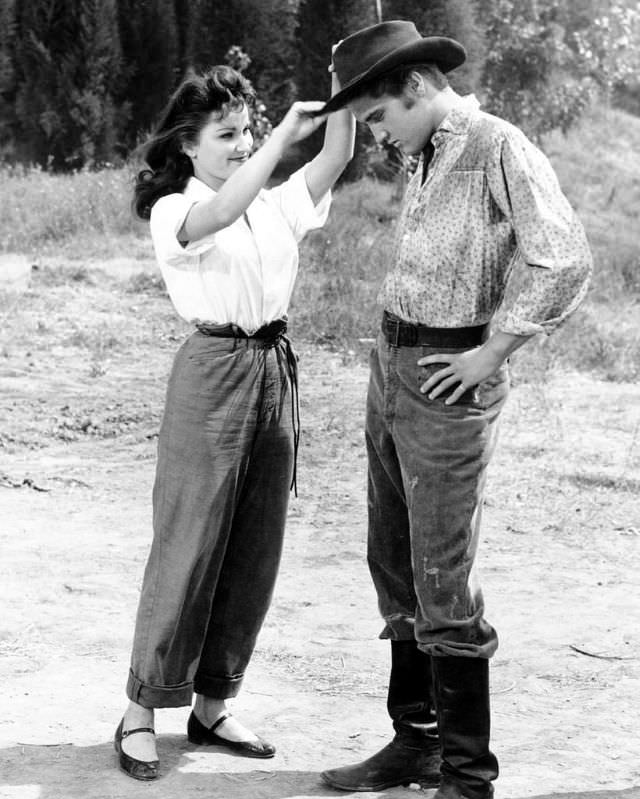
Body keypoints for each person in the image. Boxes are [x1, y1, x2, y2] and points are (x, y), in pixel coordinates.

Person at [315, 20, 592, 799]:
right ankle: (418, 743)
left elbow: (562, 251)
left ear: (415, 87)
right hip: (392, 366)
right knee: (394, 561)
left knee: (442, 575)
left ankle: (468, 778)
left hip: (449, 377)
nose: (379, 136)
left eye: (378, 117)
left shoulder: (497, 144)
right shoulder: (427, 149)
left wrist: (493, 350)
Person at [114, 62, 354, 781]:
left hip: (272, 369)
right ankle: (139, 711)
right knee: (187, 542)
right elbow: (216, 215)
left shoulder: (274, 205)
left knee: (255, 546)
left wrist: (350, 83)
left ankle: (213, 704)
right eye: (228, 135)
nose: (244, 144)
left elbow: (337, 156)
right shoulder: (176, 210)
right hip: (212, 370)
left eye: (248, 130)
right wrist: (282, 137)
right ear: (189, 146)